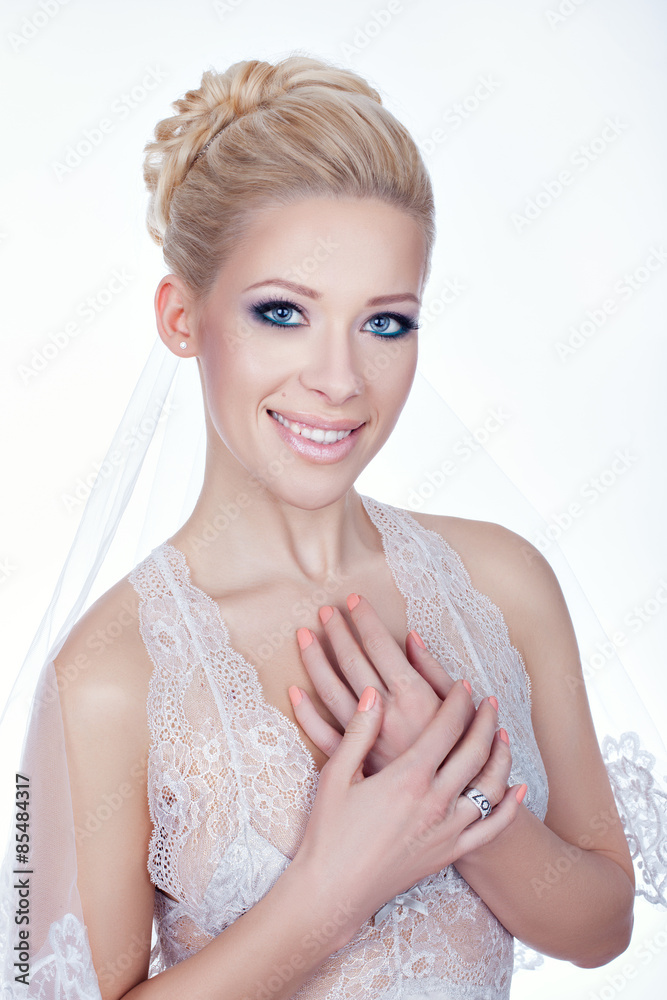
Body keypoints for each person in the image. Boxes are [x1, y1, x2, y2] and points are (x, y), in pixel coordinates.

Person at [0, 53, 663, 1000]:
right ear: (182, 318)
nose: (340, 379)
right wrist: (330, 890)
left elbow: (602, 924)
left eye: (384, 324)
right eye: (283, 313)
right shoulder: (107, 677)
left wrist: (468, 806)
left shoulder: (503, 586)